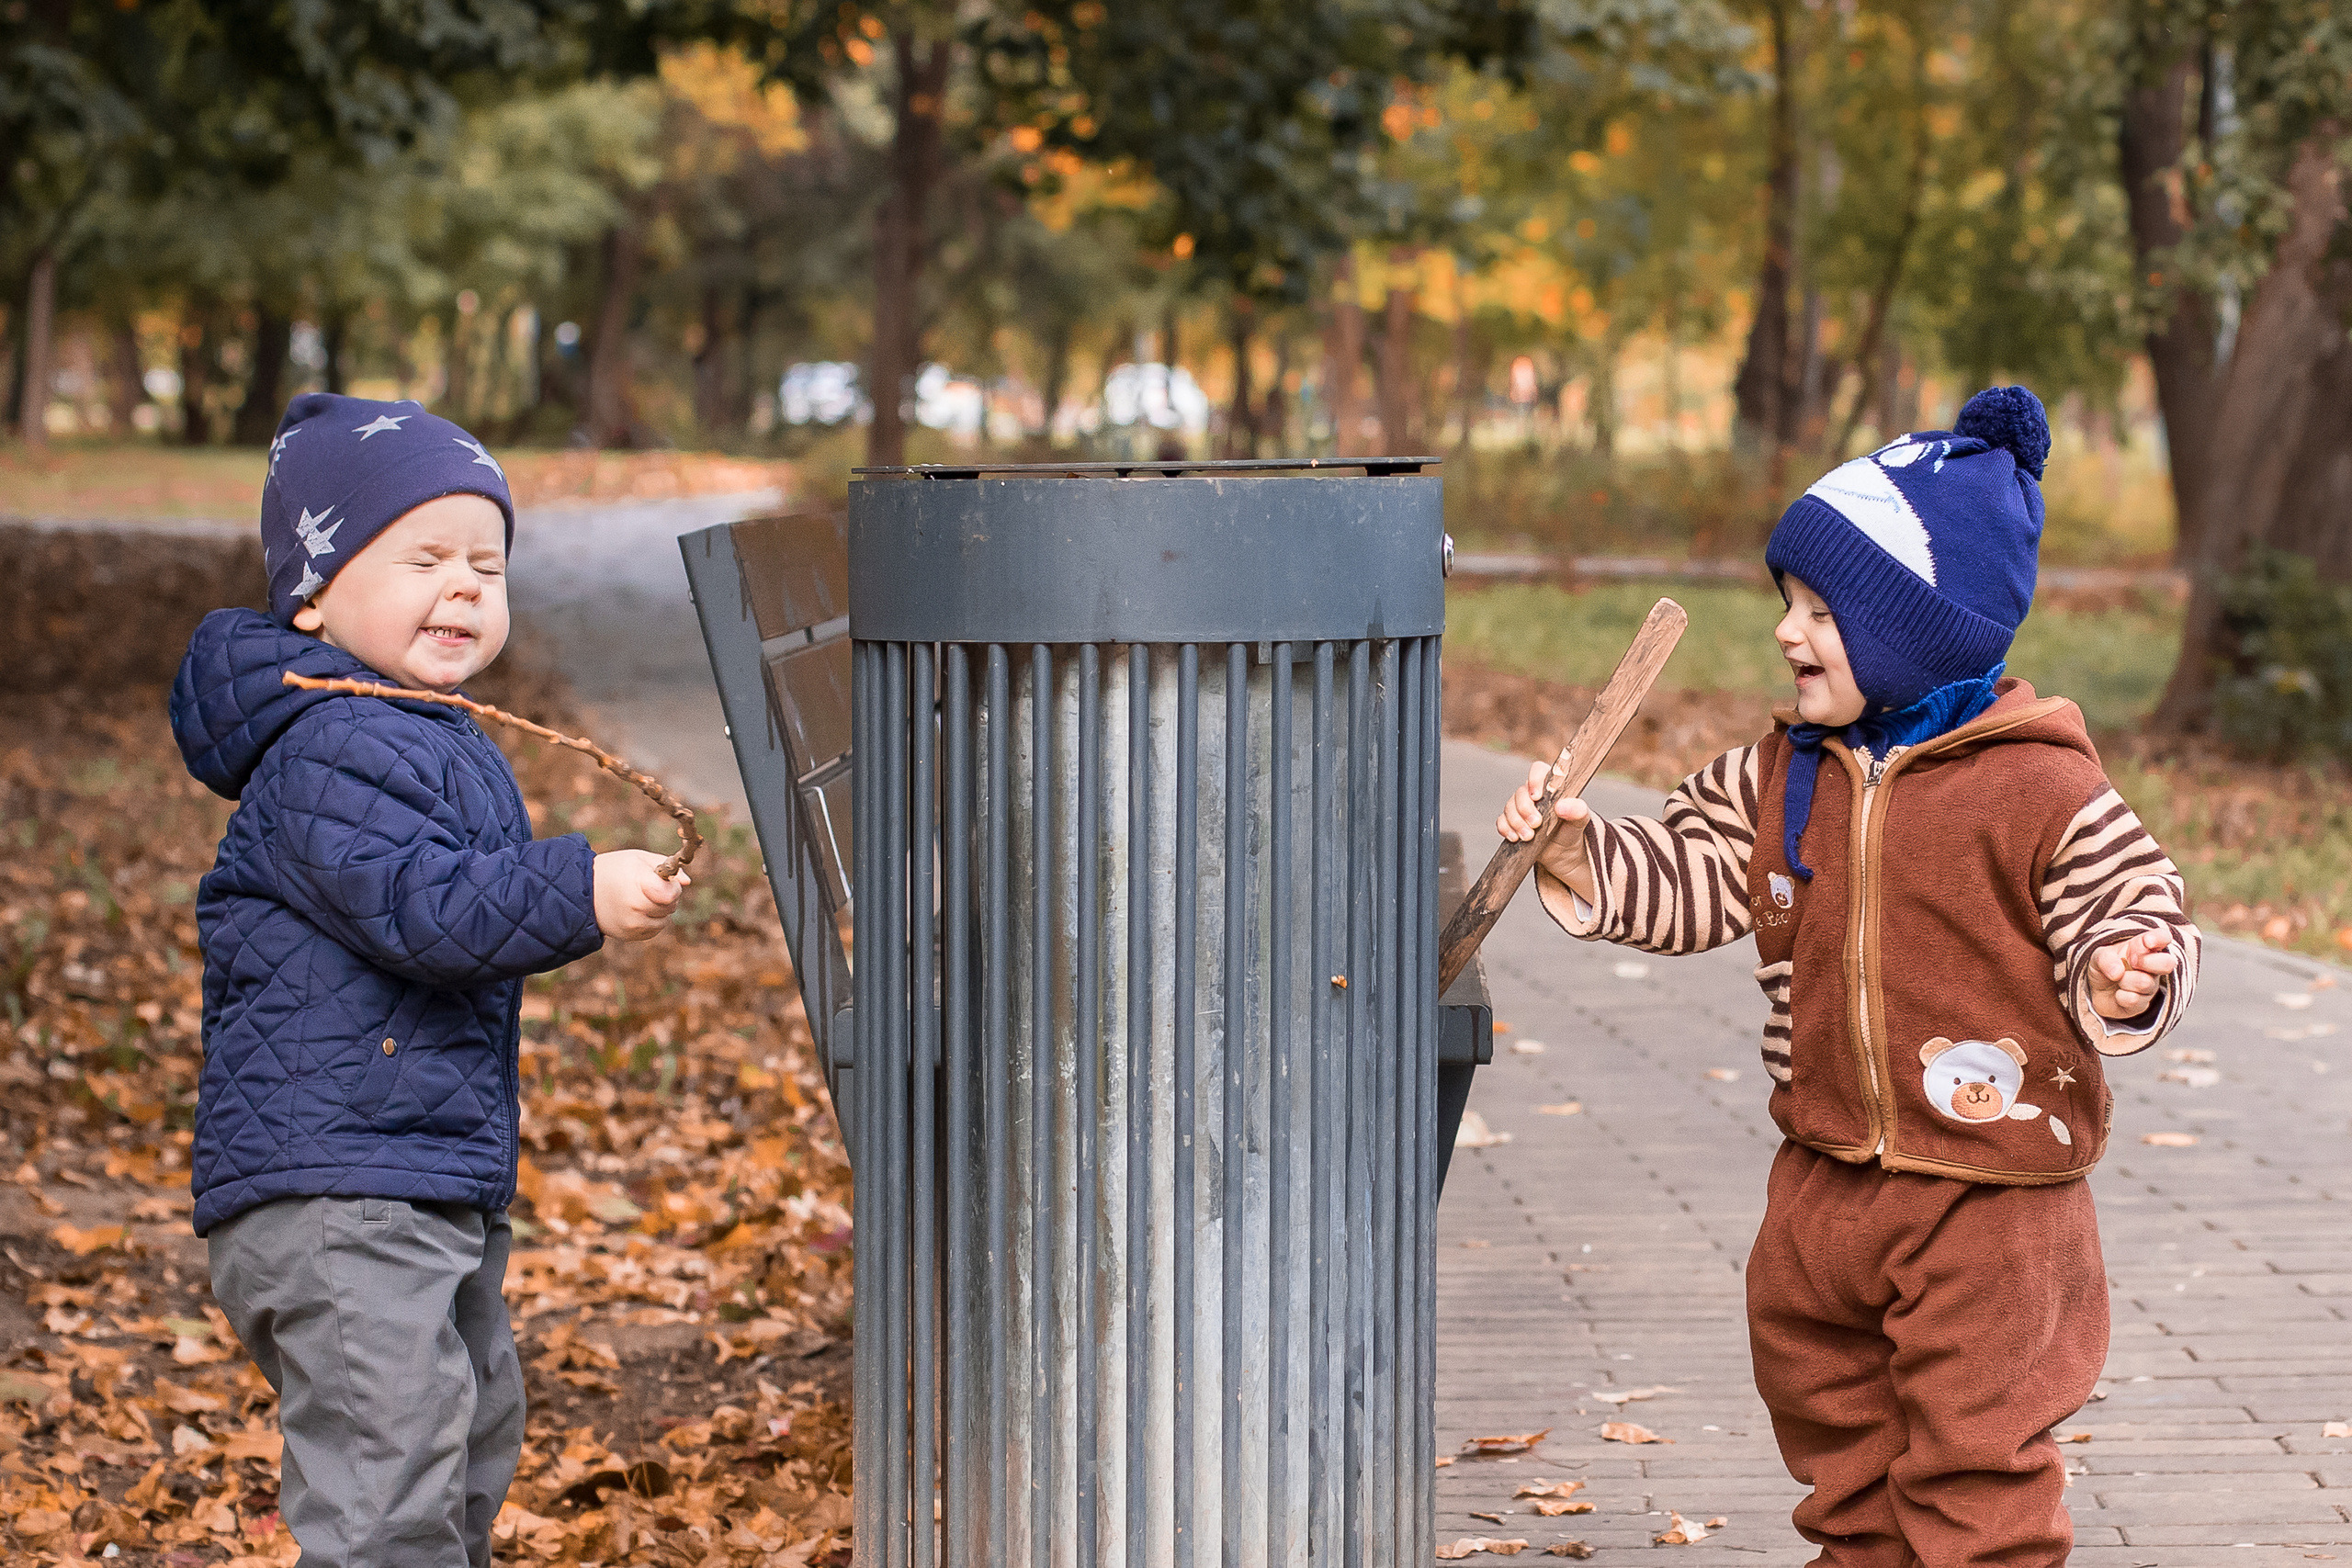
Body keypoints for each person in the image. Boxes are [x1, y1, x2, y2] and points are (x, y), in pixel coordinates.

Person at [1497, 386, 2196, 1567]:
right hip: (1824, 1180)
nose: (1787, 631)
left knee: (1976, 1464)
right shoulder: (1779, 774)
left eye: (1822, 611)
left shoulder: (2037, 785)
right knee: (1839, 1443)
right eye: (1787, 601)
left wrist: (2122, 968)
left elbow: (2126, 898)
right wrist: (1571, 846)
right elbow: (1686, 876)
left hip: (1993, 1200)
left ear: (1914, 631)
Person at [168, 393, 688, 1568]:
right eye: (423, 559)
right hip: (339, 1188)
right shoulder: (335, 742)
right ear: (314, 595)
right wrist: (577, 892)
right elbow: (422, 908)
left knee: (460, 1443)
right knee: (389, 1477)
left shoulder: (419, 727)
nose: (464, 586)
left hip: (406, 1171)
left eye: (487, 565)